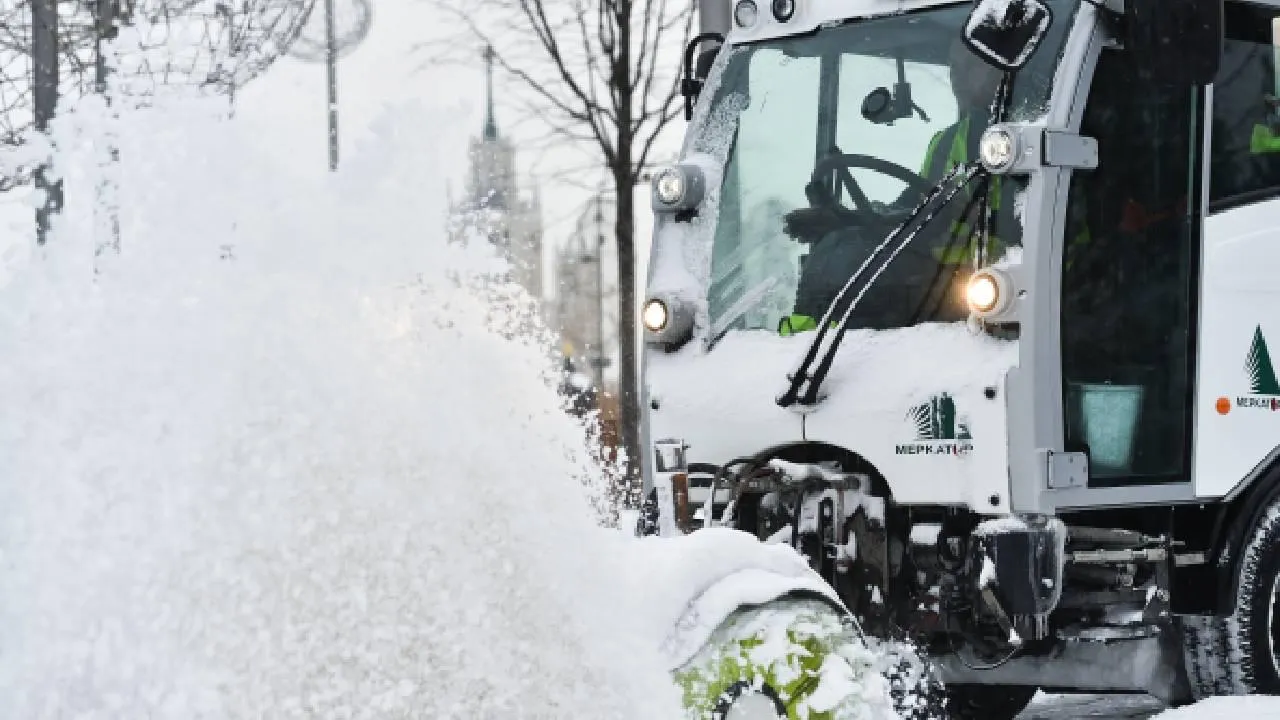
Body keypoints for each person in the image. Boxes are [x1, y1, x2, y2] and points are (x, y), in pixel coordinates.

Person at [780, 39, 1005, 335]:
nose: (958, 77)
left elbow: (1038, 222)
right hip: (938, 285)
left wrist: (970, 215)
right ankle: (799, 350)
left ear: (1003, 70)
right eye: (954, 66)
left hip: (1000, 288)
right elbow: (909, 206)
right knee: (841, 251)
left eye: (972, 65)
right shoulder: (946, 144)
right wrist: (845, 219)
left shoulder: (1027, 138)